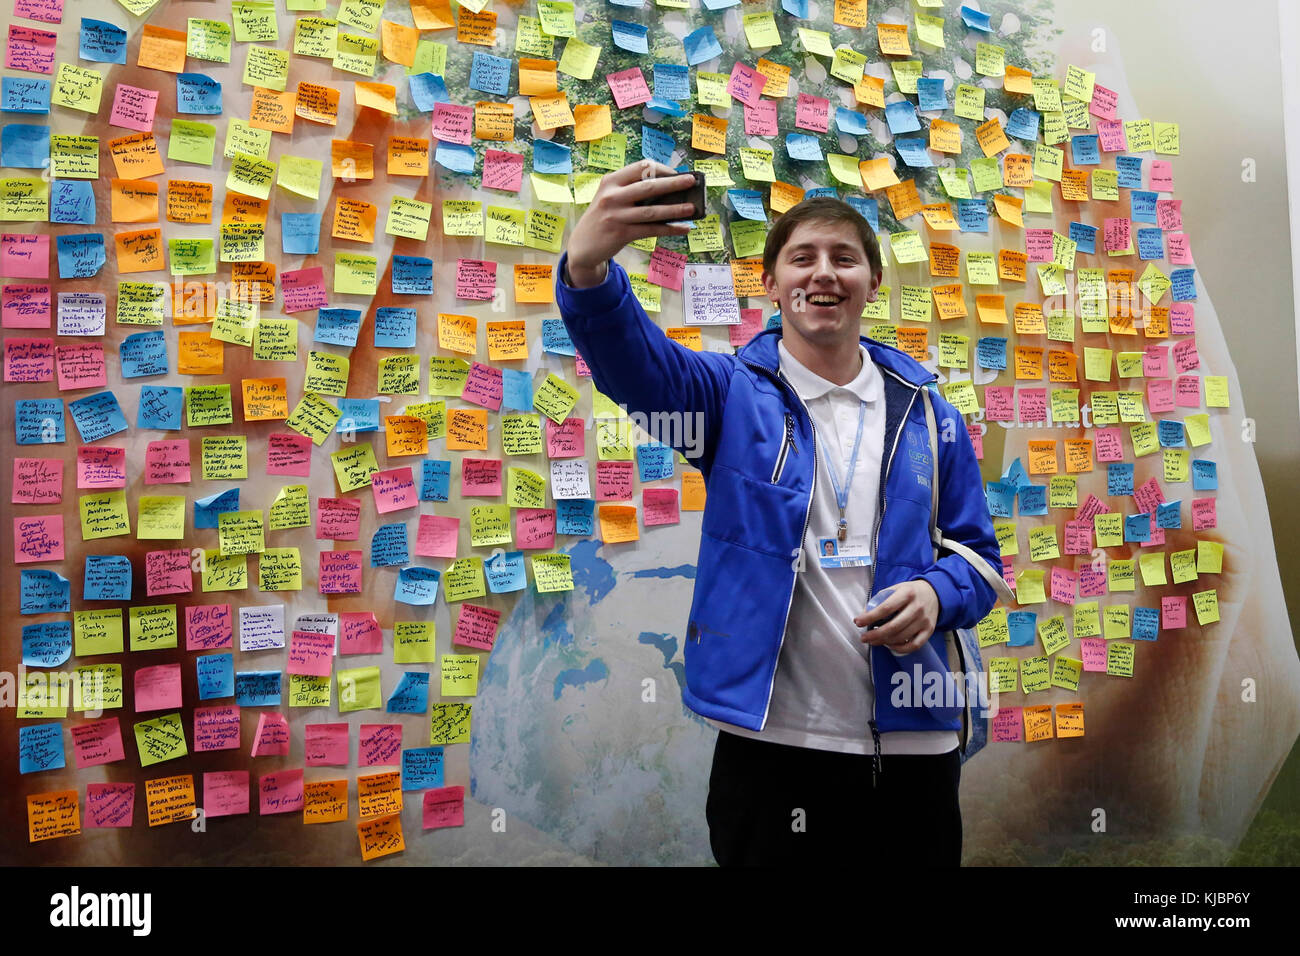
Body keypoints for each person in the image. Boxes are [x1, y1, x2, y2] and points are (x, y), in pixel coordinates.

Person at [556, 160, 1004, 866]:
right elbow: (632, 362)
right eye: (802, 257)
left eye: (844, 258)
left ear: (872, 284)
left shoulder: (930, 414)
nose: (823, 273)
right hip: (772, 751)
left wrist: (935, 592)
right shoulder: (725, 396)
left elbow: (979, 561)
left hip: (917, 744)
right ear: (770, 285)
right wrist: (587, 269)